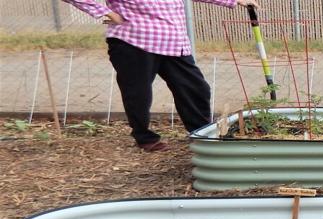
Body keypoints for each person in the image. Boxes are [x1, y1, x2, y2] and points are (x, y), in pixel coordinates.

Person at [63, 0, 262, 152]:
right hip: (133, 40)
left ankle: (202, 134)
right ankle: (145, 138)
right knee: (138, 94)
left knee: (196, 88)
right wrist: (104, 12)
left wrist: (235, 1)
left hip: (173, 42)